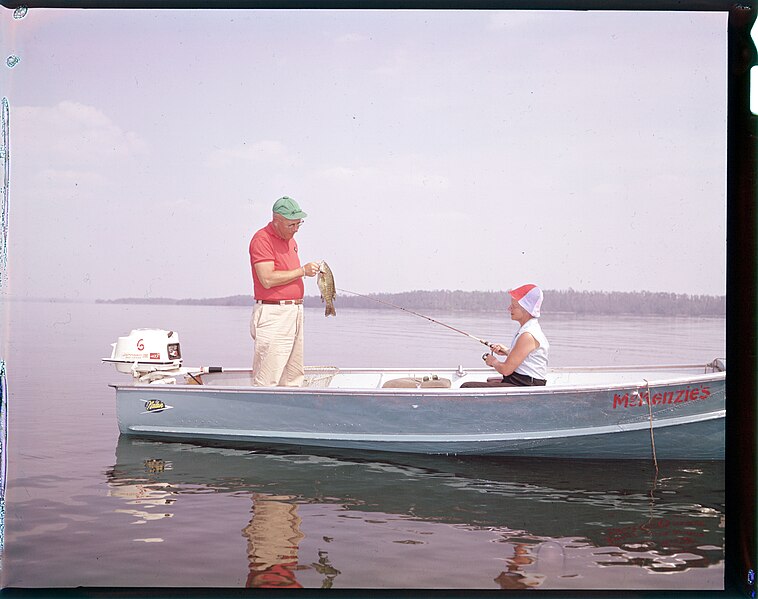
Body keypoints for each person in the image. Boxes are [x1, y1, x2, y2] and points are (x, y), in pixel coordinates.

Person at [249, 196, 320, 387]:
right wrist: (302, 271)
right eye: (292, 224)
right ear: (276, 220)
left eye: (299, 224)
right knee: (267, 377)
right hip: (274, 315)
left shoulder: (291, 241)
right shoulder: (262, 239)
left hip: (294, 313)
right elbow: (267, 279)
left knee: (293, 376)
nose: (296, 229)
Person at [462, 284, 549, 387]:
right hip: (520, 381)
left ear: (526, 309)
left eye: (514, 306)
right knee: (491, 381)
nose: (509, 308)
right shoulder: (528, 330)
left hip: (525, 385)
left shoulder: (528, 335)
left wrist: (493, 361)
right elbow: (526, 359)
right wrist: (507, 351)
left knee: (467, 386)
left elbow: (506, 370)